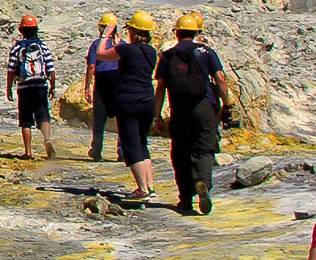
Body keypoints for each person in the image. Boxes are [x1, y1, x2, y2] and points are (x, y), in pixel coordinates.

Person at [153, 12, 230, 215]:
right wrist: (226, 104)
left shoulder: (167, 55)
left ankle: (185, 198)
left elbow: (160, 87)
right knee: (204, 149)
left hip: (179, 109)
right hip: (204, 107)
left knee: (180, 152)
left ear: (177, 33)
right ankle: (202, 182)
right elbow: (220, 79)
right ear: (196, 32)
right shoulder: (206, 52)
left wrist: (157, 115)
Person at [92, 11, 160, 201]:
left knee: (131, 145)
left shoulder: (127, 50)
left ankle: (142, 190)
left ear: (134, 31)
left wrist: (105, 36)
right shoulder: (151, 51)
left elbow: (101, 54)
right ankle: (150, 186)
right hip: (147, 100)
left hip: (128, 101)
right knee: (142, 143)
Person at [5, 14, 56, 160]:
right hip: (40, 85)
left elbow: (11, 70)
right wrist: (52, 86)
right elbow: (51, 68)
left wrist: (9, 88)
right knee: (43, 116)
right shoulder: (43, 47)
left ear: (21, 30)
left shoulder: (16, 48)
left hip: (24, 87)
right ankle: (47, 140)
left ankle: (28, 152)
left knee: (26, 120)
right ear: (36, 30)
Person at [83, 13, 119, 162]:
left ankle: (97, 149)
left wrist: (87, 87)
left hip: (102, 82)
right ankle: (122, 150)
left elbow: (91, 66)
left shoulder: (96, 44)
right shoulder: (122, 44)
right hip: (118, 82)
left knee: (99, 119)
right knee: (120, 119)